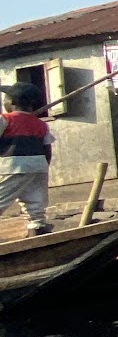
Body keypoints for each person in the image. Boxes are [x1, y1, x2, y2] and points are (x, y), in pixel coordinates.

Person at [0, 84, 53, 235]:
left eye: (5, 99)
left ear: (11, 103)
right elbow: (47, 150)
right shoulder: (41, 124)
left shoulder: (5, 120)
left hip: (13, 165)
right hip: (39, 165)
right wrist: (43, 167)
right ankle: (37, 227)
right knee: (35, 203)